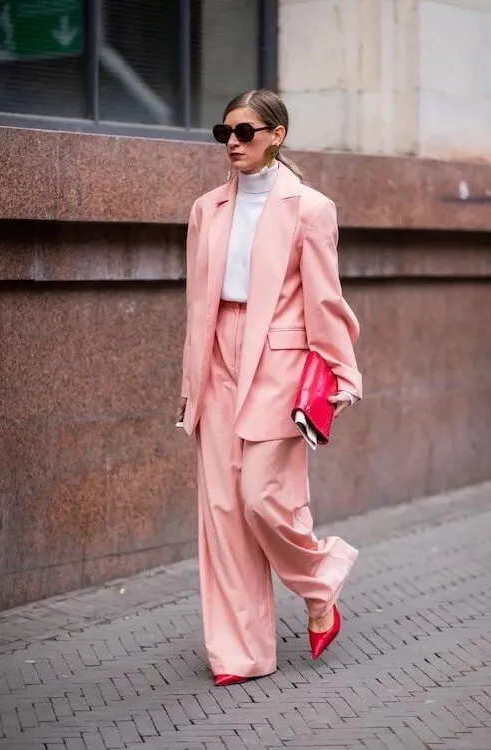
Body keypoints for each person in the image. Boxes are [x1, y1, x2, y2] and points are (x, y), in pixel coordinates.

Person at [177, 89, 362, 687]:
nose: (232, 141)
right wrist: (190, 384)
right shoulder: (206, 208)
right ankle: (240, 654)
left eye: (245, 131)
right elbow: (197, 305)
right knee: (224, 512)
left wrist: (343, 371)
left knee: (261, 498)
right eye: (224, 132)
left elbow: (325, 300)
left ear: (276, 135)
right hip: (216, 361)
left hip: (278, 362)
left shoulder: (309, 208)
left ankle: (320, 578)